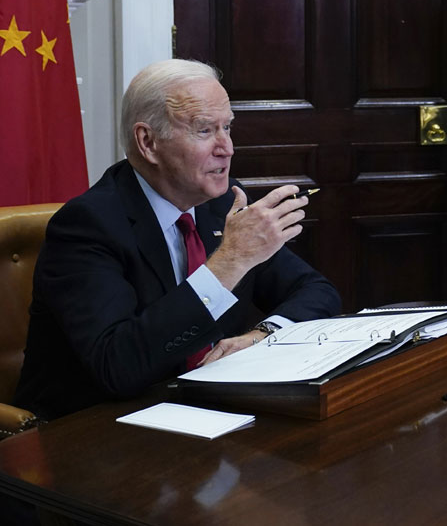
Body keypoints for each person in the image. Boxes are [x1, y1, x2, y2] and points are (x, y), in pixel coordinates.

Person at [13, 60, 341, 420]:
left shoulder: (222, 203)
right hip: (95, 428)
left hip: (207, 412)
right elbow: (117, 367)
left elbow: (317, 291)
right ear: (148, 142)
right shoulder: (87, 225)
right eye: (205, 130)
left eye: (227, 127)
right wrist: (229, 262)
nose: (227, 148)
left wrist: (262, 334)